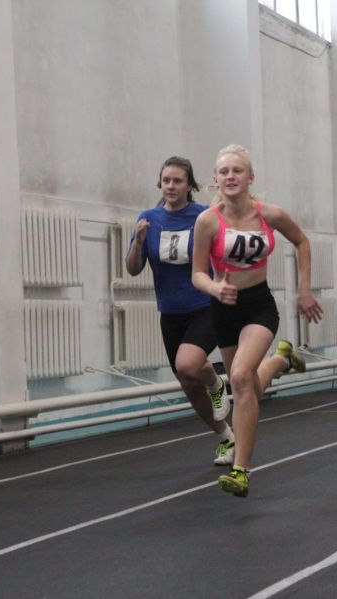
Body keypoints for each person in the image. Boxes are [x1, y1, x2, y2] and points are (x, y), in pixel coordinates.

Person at [192, 144, 322, 497]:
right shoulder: (207, 221)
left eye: (237, 170)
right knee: (246, 386)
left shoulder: (271, 215)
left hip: (257, 306)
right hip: (224, 307)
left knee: (237, 377)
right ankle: (281, 359)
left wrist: (304, 289)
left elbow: (303, 241)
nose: (231, 177)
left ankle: (241, 470)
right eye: (224, 172)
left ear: (251, 177)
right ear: (215, 180)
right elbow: (197, 274)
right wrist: (215, 289)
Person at [125, 156, 235, 467]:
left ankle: (216, 382)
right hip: (170, 312)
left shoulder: (203, 216)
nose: (171, 186)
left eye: (177, 181)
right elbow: (133, 269)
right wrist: (138, 243)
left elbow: (224, 249)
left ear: (189, 185)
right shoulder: (148, 219)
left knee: (188, 365)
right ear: (160, 183)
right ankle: (226, 437)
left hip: (204, 305)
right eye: (166, 180)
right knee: (188, 383)